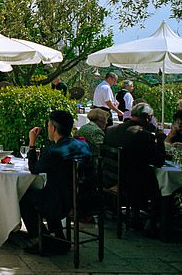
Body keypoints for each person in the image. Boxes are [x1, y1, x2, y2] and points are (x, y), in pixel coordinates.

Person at [20, 110, 91, 255]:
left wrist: (32, 144)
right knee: (50, 192)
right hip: (86, 198)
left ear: (53, 128)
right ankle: (60, 239)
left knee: (25, 199)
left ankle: (45, 240)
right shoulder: (82, 145)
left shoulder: (53, 152)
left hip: (61, 202)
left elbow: (34, 169)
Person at [103, 103, 165, 233]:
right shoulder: (144, 135)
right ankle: (154, 222)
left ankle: (137, 216)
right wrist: (160, 140)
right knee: (164, 186)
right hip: (132, 183)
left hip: (110, 177)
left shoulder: (110, 130)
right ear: (148, 117)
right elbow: (159, 162)